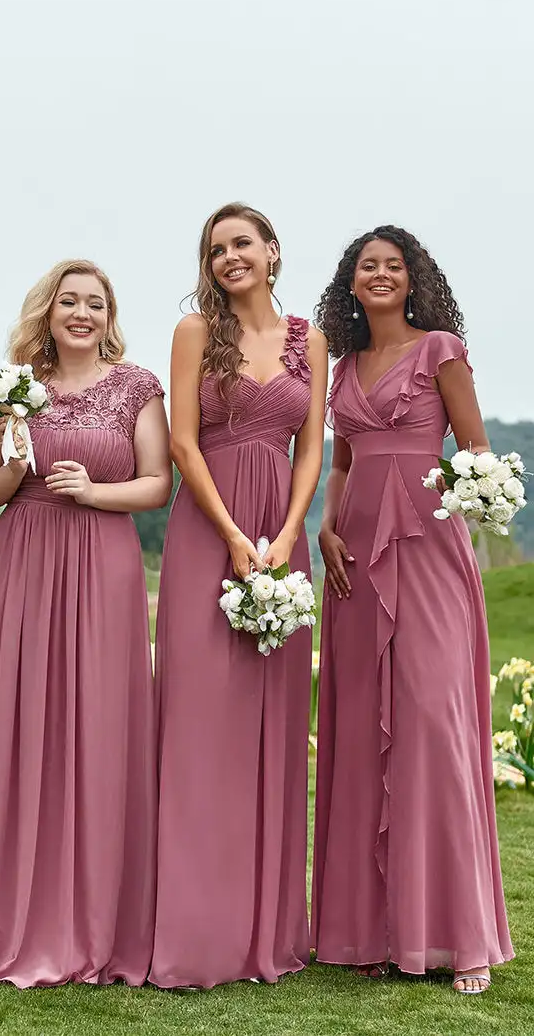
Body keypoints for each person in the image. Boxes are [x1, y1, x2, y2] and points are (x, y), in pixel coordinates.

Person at [0, 259, 171, 987]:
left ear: (110, 315)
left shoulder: (137, 386)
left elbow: (158, 482)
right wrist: (13, 466)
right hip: (21, 560)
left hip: (103, 563)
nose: (81, 313)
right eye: (68, 301)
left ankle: (91, 913)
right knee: (15, 725)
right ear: (48, 310)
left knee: (96, 727)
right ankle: (9, 913)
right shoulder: (12, 385)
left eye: (94, 303)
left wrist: (95, 491)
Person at [312, 225, 514, 994]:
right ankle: (371, 930)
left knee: (431, 724)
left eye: (395, 264)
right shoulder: (342, 370)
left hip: (429, 553)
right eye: (369, 265)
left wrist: (478, 500)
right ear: (352, 285)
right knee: (363, 734)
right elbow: (342, 461)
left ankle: (462, 939)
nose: (382, 274)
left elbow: (475, 450)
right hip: (356, 558)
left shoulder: (442, 351)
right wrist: (327, 527)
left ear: (413, 277)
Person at [150, 203, 327, 988]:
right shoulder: (195, 333)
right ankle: (194, 931)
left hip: (279, 540)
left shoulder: (310, 340)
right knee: (199, 723)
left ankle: (267, 934)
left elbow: (311, 446)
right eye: (216, 249)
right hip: (206, 532)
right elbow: (184, 440)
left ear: (273, 251)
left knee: (271, 728)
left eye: (242, 244)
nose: (229, 258)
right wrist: (229, 533)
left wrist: (288, 536)